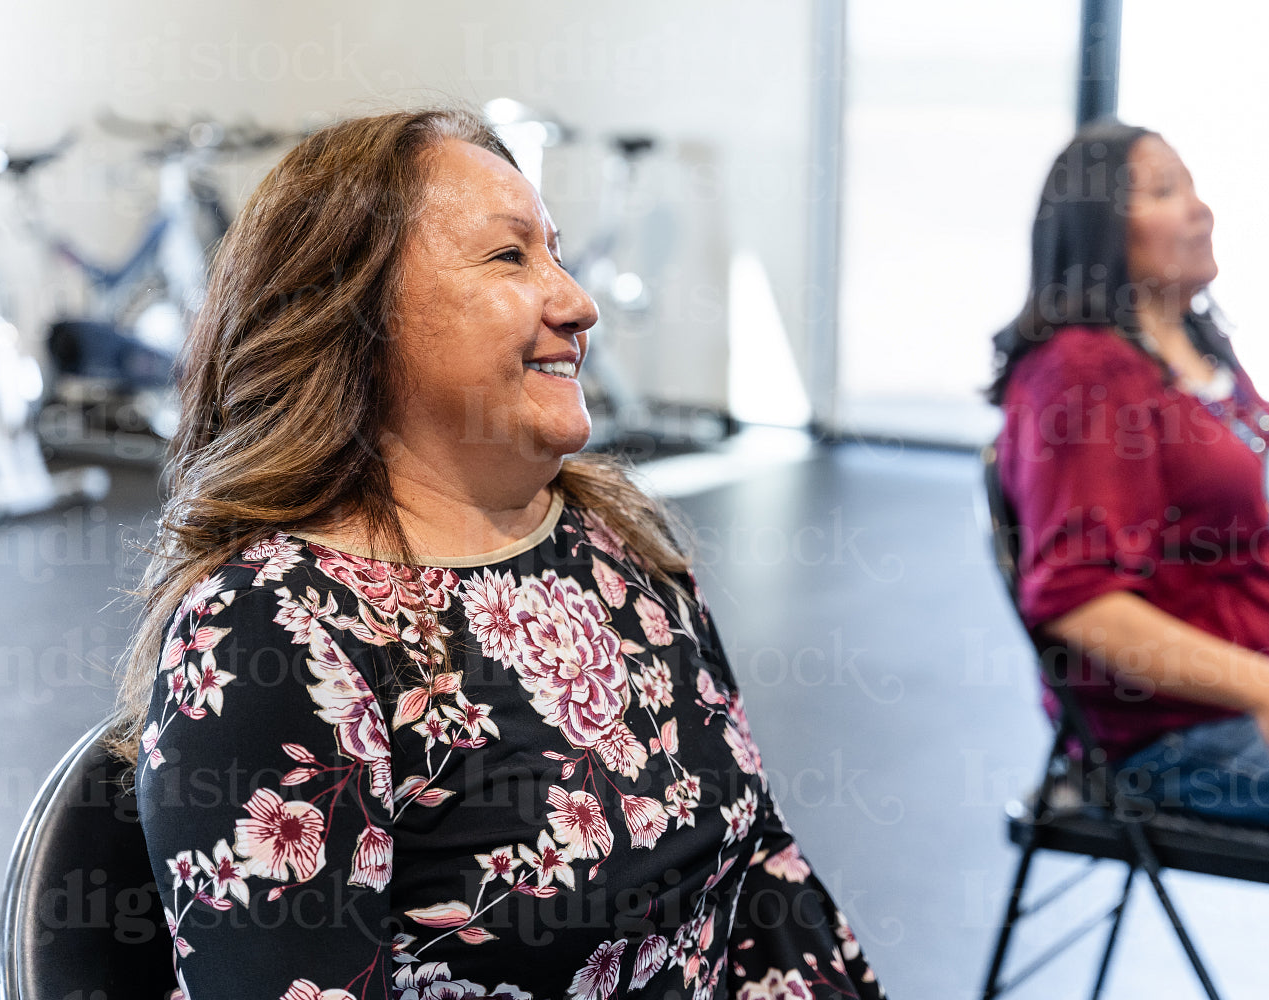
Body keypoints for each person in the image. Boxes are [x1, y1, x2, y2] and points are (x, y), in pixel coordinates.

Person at [110, 107, 883, 1000]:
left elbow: (758, 879)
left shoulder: (613, 545)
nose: (578, 301)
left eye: (556, 253)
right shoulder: (273, 637)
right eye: (511, 257)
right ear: (357, 313)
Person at [990, 119, 1269, 999]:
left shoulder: (1198, 349)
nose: (1201, 211)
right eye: (1164, 192)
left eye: (1191, 186)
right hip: (1179, 734)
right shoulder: (1082, 375)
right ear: (1098, 231)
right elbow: (1079, 605)